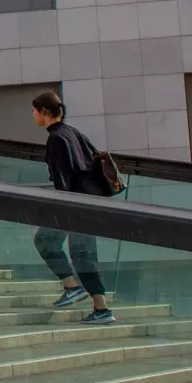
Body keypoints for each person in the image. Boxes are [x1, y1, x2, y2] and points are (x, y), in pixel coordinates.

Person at [30, 90, 118, 326]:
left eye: (34, 111)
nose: (33, 116)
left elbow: (62, 178)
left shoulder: (56, 138)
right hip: (90, 202)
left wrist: (62, 208)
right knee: (78, 252)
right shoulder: (73, 132)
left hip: (76, 205)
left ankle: (89, 299)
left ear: (45, 112)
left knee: (57, 245)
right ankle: (88, 298)